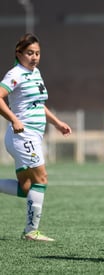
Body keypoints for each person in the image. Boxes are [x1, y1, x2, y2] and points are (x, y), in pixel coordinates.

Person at [0, 33, 72, 241]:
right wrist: (14, 119)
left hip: (32, 136)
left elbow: (38, 105)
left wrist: (57, 123)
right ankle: (31, 231)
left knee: (26, 188)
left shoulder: (35, 73)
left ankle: (30, 230)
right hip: (23, 136)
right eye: (30, 53)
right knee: (41, 179)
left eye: (37, 53)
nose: (34, 57)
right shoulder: (15, 74)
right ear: (18, 53)